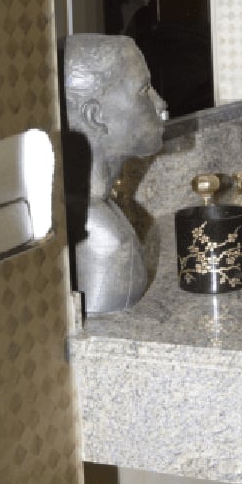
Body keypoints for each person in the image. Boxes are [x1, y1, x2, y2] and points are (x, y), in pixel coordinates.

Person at [61, 33, 167, 315]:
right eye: (144, 90)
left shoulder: (93, 210)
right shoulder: (107, 241)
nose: (161, 104)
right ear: (96, 116)